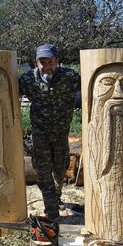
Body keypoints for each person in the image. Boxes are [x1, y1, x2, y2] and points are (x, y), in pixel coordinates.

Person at [19, 43, 80, 230]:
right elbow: (8, 91)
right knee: (43, 169)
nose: (46, 66)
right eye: (42, 62)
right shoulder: (28, 79)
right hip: (40, 131)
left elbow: (93, 84)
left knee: (60, 167)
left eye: (50, 62)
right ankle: (51, 210)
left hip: (62, 132)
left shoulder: (70, 77)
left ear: (57, 61)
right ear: (36, 62)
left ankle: (57, 194)